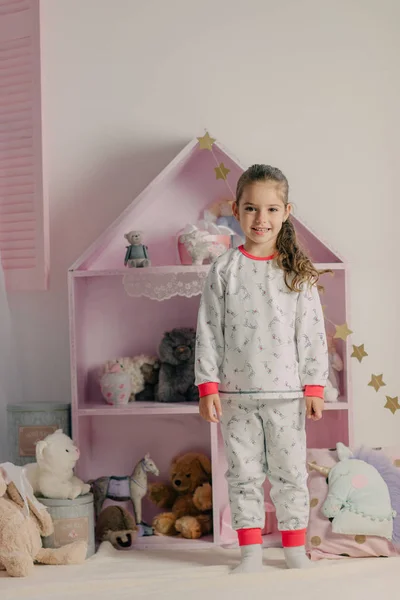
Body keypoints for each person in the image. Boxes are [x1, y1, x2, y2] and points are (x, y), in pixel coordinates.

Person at [195, 164, 328, 573]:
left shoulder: (296, 272)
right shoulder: (223, 269)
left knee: (290, 476)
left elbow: (311, 333)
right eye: (251, 209)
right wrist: (208, 387)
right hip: (236, 396)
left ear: (287, 211)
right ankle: (250, 553)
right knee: (244, 476)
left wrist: (314, 386)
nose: (261, 219)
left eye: (271, 209)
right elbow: (208, 331)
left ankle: (293, 551)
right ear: (236, 210)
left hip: (287, 395)